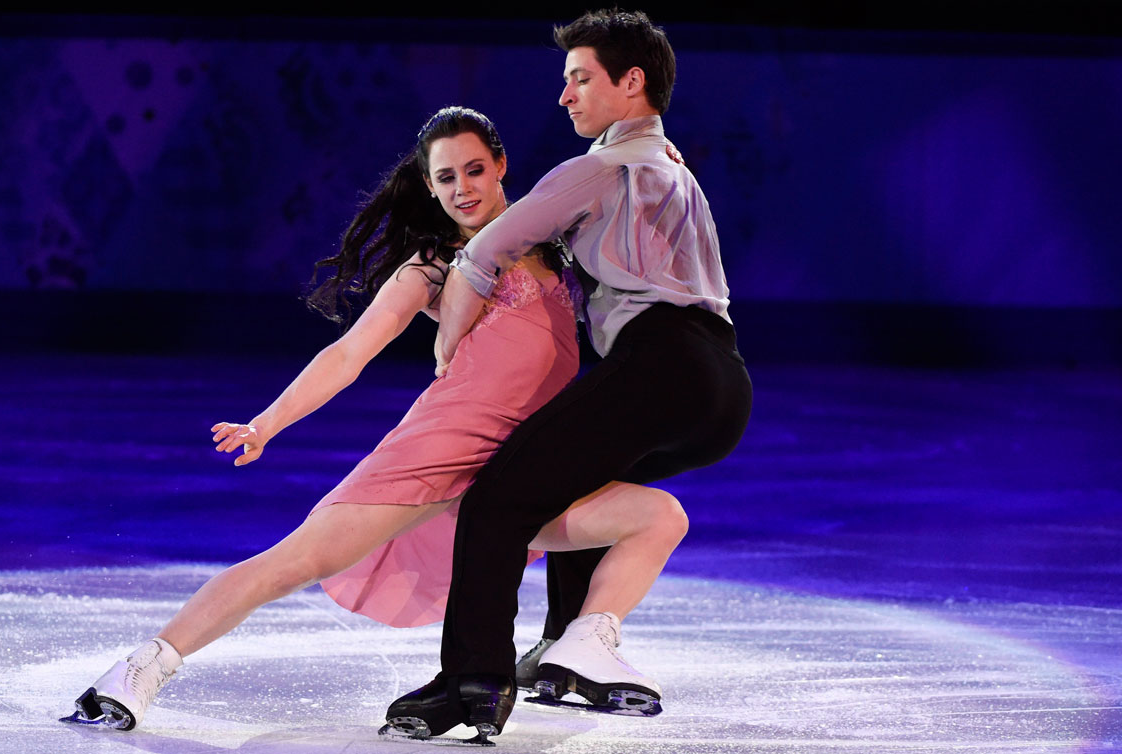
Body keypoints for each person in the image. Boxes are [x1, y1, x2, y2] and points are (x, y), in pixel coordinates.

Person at [60, 105, 691, 734]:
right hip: (438, 451)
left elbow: (623, 209)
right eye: (445, 178)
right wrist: (266, 423)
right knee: (294, 563)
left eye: (474, 170)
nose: (462, 188)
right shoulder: (435, 267)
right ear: (429, 186)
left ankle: (586, 643)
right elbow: (349, 353)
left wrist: (660, 168)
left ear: (502, 166)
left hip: (519, 469)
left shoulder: (556, 252)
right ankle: (141, 669)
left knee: (659, 516)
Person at [383, 9, 753, 744]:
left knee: (497, 499)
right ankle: (564, 647)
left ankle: (473, 682)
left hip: (660, 363)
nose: (566, 96)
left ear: (632, 82)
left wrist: (446, 352)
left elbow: (482, 254)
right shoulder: (675, 170)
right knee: (571, 481)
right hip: (723, 387)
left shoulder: (599, 168)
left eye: (580, 79)